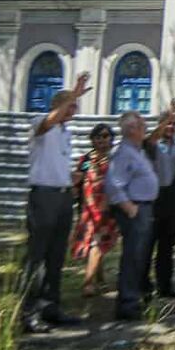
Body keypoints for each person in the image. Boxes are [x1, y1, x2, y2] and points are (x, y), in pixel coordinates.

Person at [21, 71, 93, 333]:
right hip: (43, 196)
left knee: (56, 256)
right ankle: (28, 312)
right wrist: (73, 91)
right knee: (36, 256)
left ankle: (51, 306)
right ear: (58, 105)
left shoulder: (65, 133)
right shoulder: (41, 123)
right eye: (71, 104)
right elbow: (47, 124)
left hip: (62, 196)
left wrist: (72, 177)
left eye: (75, 105)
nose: (74, 109)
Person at [105, 111, 162, 320]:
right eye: (142, 125)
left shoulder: (138, 151)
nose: (145, 128)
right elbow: (113, 184)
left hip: (145, 208)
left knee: (140, 256)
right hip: (136, 209)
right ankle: (127, 303)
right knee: (133, 256)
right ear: (132, 130)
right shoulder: (123, 153)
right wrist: (129, 207)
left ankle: (134, 298)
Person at [71, 123, 119, 298]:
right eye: (98, 136)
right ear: (92, 139)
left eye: (106, 136)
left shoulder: (115, 160)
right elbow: (78, 178)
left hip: (108, 209)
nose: (102, 140)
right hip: (88, 209)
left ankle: (93, 280)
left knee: (99, 244)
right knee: (95, 244)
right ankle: (93, 280)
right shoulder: (86, 160)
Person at [145, 98, 175, 298]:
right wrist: (167, 116)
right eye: (169, 123)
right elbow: (150, 140)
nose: (172, 127)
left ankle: (165, 285)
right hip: (153, 199)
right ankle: (143, 286)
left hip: (169, 200)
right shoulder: (153, 144)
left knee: (166, 247)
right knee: (147, 246)